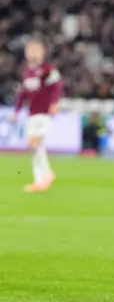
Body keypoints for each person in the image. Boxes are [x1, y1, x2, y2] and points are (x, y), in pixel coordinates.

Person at [12, 39, 63, 192]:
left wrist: (54, 102)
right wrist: (16, 111)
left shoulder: (48, 70)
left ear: (42, 53)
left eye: (36, 50)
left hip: (44, 113)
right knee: (36, 147)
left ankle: (46, 175)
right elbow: (22, 94)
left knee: (32, 143)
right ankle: (40, 180)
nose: (32, 53)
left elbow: (57, 87)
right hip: (32, 114)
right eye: (30, 50)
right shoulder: (26, 72)